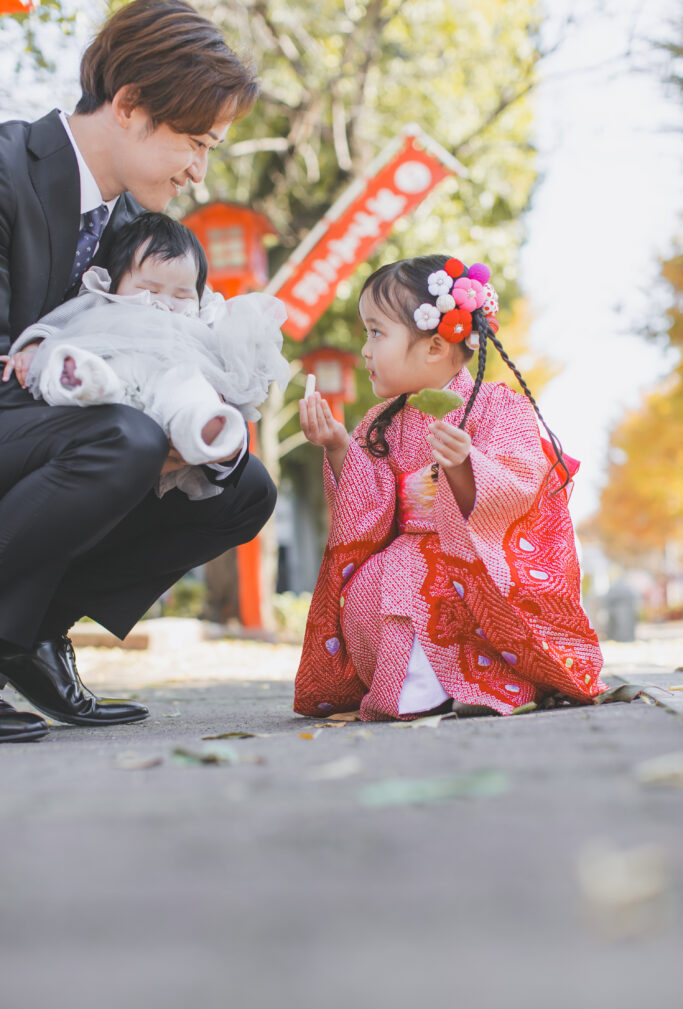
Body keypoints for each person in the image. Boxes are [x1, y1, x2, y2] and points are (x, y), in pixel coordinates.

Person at [0, 0, 275, 743]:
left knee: (240, 481)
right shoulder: (4, 170)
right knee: (122, 438)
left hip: (57, 433)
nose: (199, 169)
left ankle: (25, 631)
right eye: (195, 141)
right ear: (129, 106)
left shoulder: (140, 236)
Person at [295, 254, 605, 722]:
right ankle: (413, 683)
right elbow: (367, 506)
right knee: (368, 587)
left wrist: (463, 467)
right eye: (367, 333)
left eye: (376, 333)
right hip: (402, 550)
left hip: (474, 561)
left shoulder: (499, 406)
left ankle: (466, 682)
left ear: (436, 346)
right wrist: (340, 447)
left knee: (415, 580)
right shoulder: (381, 424)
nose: (365, 349)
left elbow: (518, 486)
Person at [6, 212, 290, 501]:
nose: (163, 304)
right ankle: (86, 382)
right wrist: (32, 348)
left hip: (174, 378)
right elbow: (56, 325)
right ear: (115, 282)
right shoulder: (101, 301)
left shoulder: (201, 320)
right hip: (114, 373)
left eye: (181, 296)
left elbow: (228, 348)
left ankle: (200, 428)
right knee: (103, 373)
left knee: (191, 389)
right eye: (148, 289)